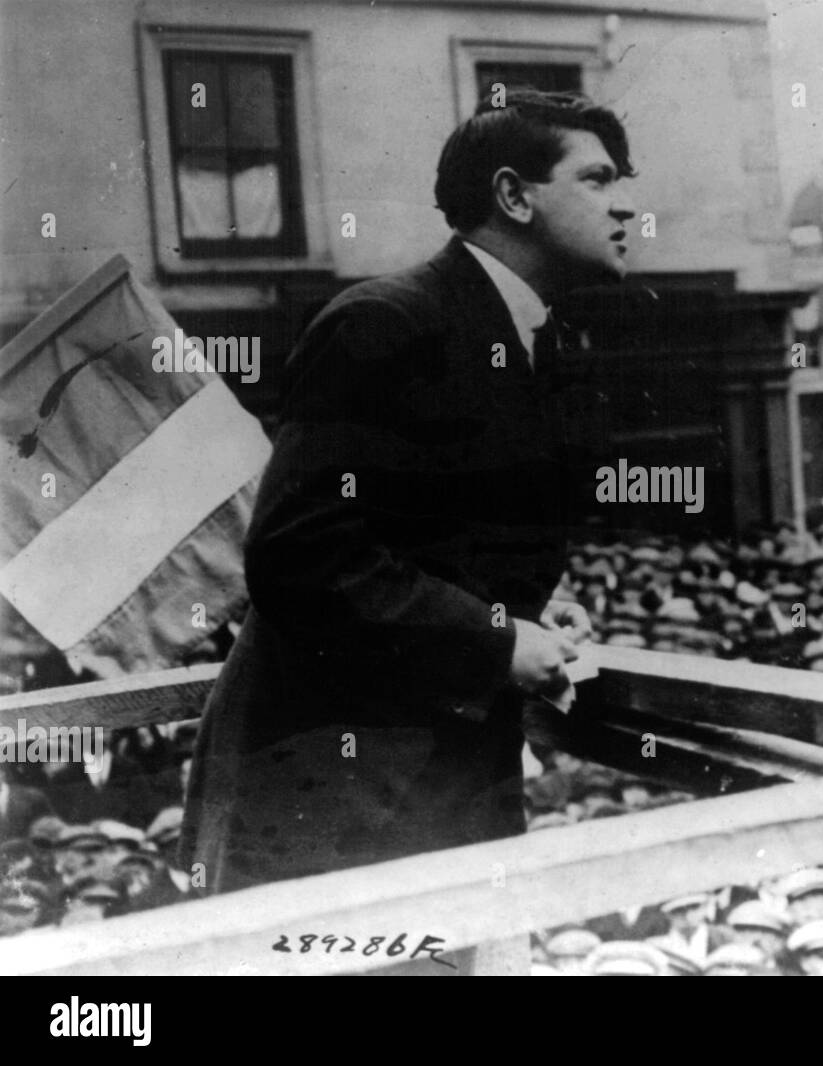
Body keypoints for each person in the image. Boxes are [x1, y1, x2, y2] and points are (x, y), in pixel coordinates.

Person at [181, 89, 636, 893]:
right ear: (512, 196)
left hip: (449, 777)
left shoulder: (540, 338)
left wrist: (526, 613)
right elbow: (301, 554)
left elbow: (433, 542)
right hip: (329, 789)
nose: (627, 207)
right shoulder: (384, 324)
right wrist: (497, 641)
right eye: (598, 180)